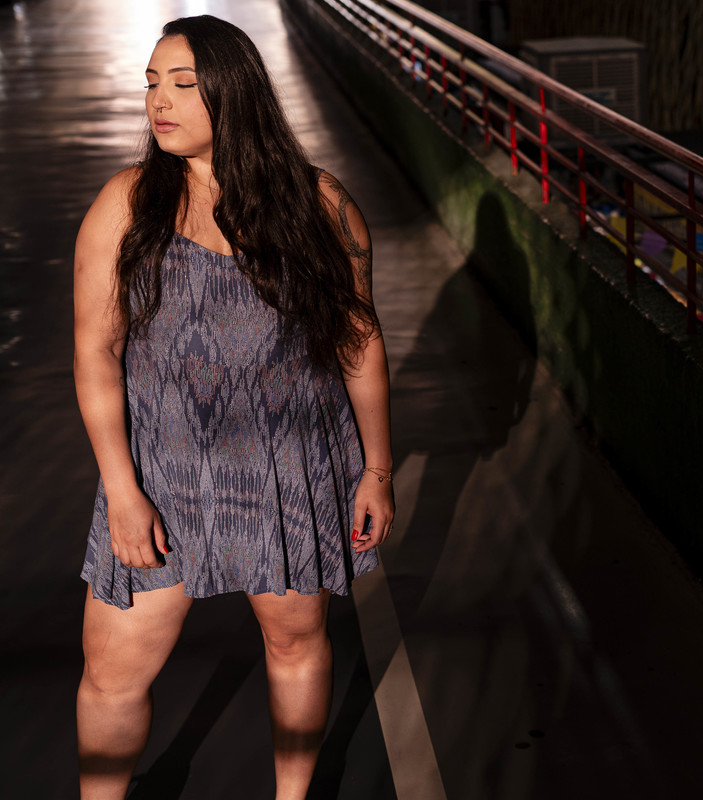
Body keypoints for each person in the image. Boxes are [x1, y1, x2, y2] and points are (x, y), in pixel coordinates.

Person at [72, 15, 394, 799]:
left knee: (295, 646)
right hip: (162, 473)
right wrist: (122, 490)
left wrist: (377, 470)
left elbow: (359, 343)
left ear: (235, 92)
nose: (159, 101)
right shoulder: (126, 204)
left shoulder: (320, 204)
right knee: (111, 673)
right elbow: (95, 353)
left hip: (286, 470)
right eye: (152, 83)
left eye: (183, 85)